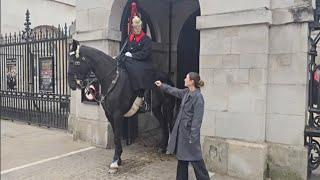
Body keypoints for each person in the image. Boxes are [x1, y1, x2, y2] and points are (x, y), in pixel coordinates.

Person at [155, 72, 210, 180]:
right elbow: (174, 91)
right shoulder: (186, 92)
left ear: (191, 82)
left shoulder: (198, 98)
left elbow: (197, 121)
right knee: (182, 161)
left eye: (186, 78)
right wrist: (162, 85)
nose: (184, 79)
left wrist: (192, 138)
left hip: (190, 137)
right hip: (182, 134)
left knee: (197, 162)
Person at [120, 15, 154, 112]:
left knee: (134, 67)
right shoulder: (129, 38)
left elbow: (145, 54)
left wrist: (132, 55)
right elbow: (124, 50)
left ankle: (141, 95)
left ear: (141, 26)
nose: (136, 29)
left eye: (138, 27)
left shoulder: (146, 39)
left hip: (143, 62)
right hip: (130, 61)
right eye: (135, 27)